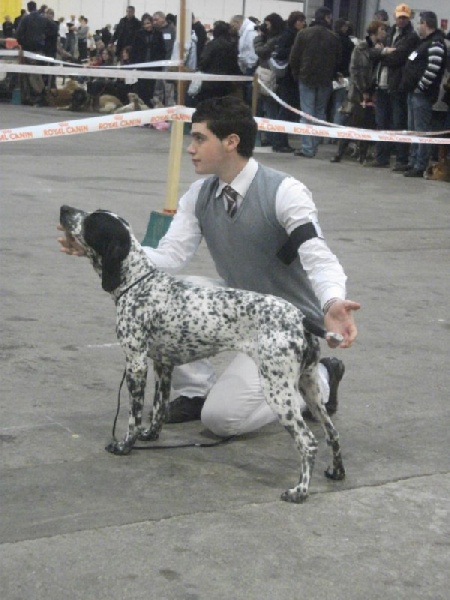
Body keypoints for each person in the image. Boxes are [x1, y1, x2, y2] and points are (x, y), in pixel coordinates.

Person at [58, 96, 360, 437]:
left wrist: (333, 301)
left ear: (231, 142)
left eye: (200, 138)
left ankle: (320, 378)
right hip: (239, 305)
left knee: (222, 421)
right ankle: (196, 390)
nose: (191, 148)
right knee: (170, 292)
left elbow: (318, 256)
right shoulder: (199, 194)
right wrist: (98, 249)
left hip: (285, 323)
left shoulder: (286, 192)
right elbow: (169, 256)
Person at [368, 3, 420, 171]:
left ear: (409, 18)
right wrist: (385, 52)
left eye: (405, 17)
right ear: (395, 16)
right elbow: (372, 53)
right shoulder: (389, 32)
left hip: (397, 86)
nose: (401, 20)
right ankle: (381, 157)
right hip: (381, 84)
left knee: (399, 123)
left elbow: (398, 58)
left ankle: (401, 159)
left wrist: (383, 52)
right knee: (381, 122)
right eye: (399, 17)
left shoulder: (412, 37)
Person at [331, 20, 388, 163]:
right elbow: (355, 71)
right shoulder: (360, 48)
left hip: (374, 91)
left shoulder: (380, 49)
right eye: (382, 30)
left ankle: (362, 154)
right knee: (353, 122)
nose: (384, 33)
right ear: (375, 31)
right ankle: (340, 152)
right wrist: (363, 89)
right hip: (358, 92)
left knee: (367, 123)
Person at [289, 6, 342, 158]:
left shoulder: (303, 34)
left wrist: (296, 74)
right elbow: (339, 59)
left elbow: (294, 56)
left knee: (306, 113)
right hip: (325, 80)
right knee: (320, 112)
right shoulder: (333, 37)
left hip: (306, 78)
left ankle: (308, 148)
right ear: (326, 18)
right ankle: (316, 143)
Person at [401, 11, 447, 177]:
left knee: (422, 131)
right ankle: (413, 161)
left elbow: (433, 69)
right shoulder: (425, 42)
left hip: (422, 95)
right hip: (414, 93)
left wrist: (420, 87)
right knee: (414, 130)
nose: (418, 26)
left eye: (420, 23)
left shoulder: (436, 43)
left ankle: (420, 165)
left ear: (426, 24)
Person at [270, 11, 307, 153]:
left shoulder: (293, 34)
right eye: (301, 21)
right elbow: (280, 53)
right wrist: (294, 50)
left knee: (287, 110)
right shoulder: (289, 35)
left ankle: (282, 141)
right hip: (287, 78)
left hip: (290, 78)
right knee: (285, 110)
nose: (303, 24)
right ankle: (279, 142)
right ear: (295, 22)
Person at [253, 13, 286, 149]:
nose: (264, 27)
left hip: (269, 75)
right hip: (266, 74)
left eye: (267, 24)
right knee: (265, 107)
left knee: (270, 107)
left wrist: (259, 38)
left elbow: (261, 51)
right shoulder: (272, 37)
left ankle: (271, 137)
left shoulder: (275, 39)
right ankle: (267, 136)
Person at [195, 21, 241, 103]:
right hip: (226, 82)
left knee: (209, 104)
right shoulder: (232, 45)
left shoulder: (211, 45)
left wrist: (200, 68)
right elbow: (234, 64)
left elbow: (204, 61)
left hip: (210, 80)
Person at [15, 1, 48, 105]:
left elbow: (18, 33)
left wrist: (22, 43)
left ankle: (37, 95)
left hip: (29, 49)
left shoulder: (26, 19)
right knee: (38, 73)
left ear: (28, 8)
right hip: (41, 49)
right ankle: (42, 93)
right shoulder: (43, 19)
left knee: (30, 74)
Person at [130, 15, 166, 108]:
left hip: (154, 66)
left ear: (152, 23)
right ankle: (142, 106)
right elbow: (134, 50)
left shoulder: (158, 33)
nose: (147, 26)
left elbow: (162, 50)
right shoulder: (138, 34)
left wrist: (159, 63)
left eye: (148, 23)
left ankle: (148, 106)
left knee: (151, 88)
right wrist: (134, 64)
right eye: (145, 24)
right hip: (141, 65)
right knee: (141, 88)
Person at [230, 14, 258, 105]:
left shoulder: (250, 31)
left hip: (251, 67)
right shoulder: (245, 31)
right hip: (247, 66)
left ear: (238, 22)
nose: (233, 28)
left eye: (233, 25)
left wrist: (250, 65)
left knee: (249, 94)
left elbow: (253, 50)